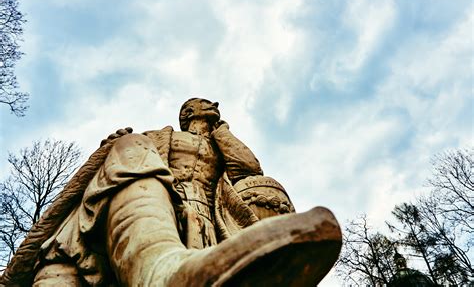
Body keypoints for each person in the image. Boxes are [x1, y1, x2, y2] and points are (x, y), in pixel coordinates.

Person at [2, 98, 342, 286]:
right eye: (207, 106)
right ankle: (157, 271)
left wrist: (221, 131)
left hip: (206, 221)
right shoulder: (159, 136)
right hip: (156, 202)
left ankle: (176, 270)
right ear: (189, 113)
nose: (215, 108)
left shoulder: (218, 144)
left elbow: (249, 168)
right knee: (130, 145)